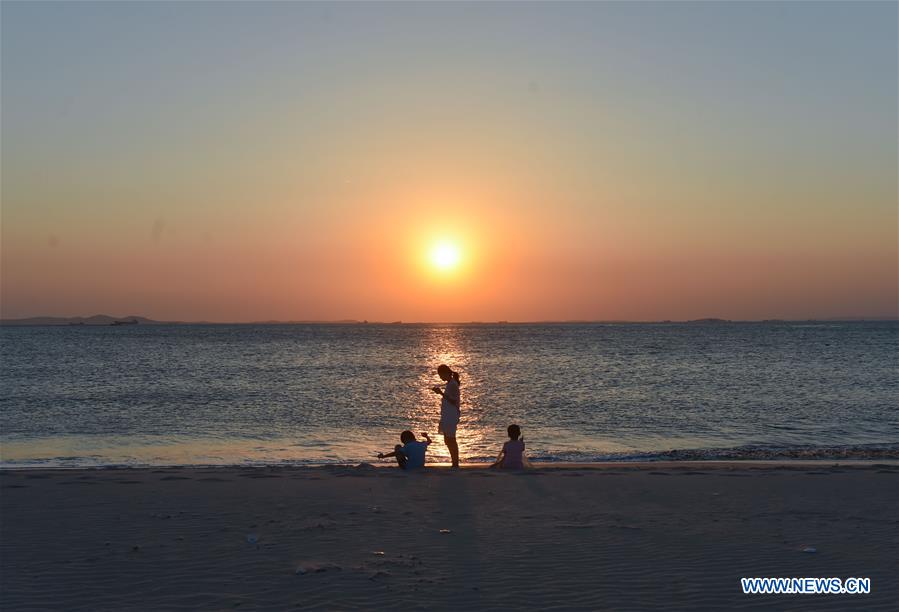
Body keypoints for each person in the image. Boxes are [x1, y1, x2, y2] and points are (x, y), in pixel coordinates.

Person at [431, 364, 461, 467]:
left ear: (445, 373)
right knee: (447, 439)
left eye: (441, 375)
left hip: (451, 415)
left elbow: (453, 401)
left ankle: (455, 463)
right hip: (448, 414)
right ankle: (454, 462)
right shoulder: (450, 383)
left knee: (451, 439)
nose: (440, 377)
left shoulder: (452, 384)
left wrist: (441, 393)